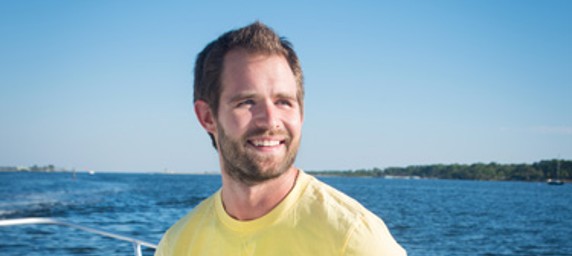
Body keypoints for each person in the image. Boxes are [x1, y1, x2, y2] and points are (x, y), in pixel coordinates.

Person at [155, 21, 406, 256]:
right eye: (247, 102)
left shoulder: (355, 240)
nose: (270, 120)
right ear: (208, 117)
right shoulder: (177, 245)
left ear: (301, 113)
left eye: (284, 102)